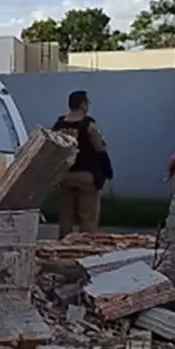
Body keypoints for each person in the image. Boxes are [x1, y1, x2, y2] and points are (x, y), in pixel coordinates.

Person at [52, 90, 113, 239]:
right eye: (88, 102)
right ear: (83, 104)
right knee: (88, 218)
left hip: (65, 175)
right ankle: (85, 250)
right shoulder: (89, 125)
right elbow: (100, 148)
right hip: (85, 176)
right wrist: (108, 171)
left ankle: (63, 249)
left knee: (66, 218)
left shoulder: (59, 125)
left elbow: (52, 150)